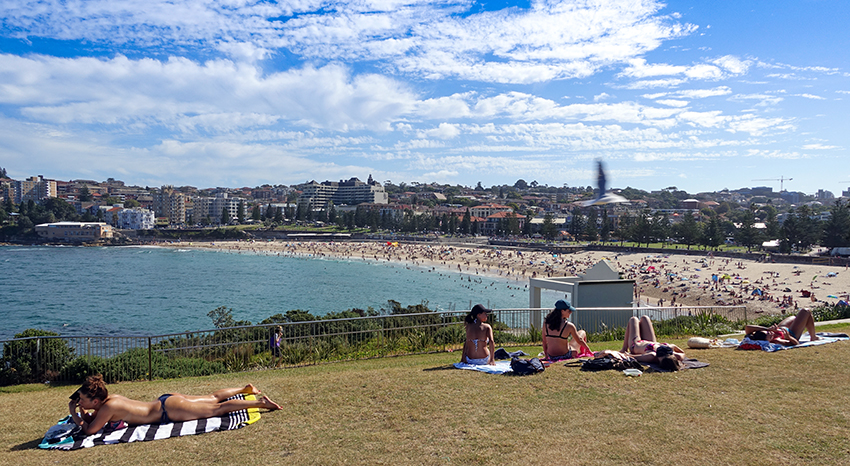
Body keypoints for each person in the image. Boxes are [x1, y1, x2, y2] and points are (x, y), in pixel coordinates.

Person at [68, 374, 281, 435]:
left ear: (95, 401)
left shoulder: (106, 408)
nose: (81, 403)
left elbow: (90, 430)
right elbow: (94, 420)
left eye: (84, 400)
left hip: (169, 411)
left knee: (218, 409)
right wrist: (84, 413)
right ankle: (244, 390)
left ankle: (262, 403)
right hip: (166, 400)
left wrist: (75, 414)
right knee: (212, 398)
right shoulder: (111, 399)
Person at [744, 308, 819, 346]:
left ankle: (812, 334)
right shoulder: (777, 340)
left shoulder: (762, 334)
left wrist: (768, 329)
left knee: (793, 317)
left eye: (769, 332)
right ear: (768, 341)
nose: (772, 333)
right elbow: (796, 343)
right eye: (770, 336)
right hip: (792, 333)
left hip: (781, 327)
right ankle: (813, 337)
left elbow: (747, 327)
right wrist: (789, 337)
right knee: (806, 311)